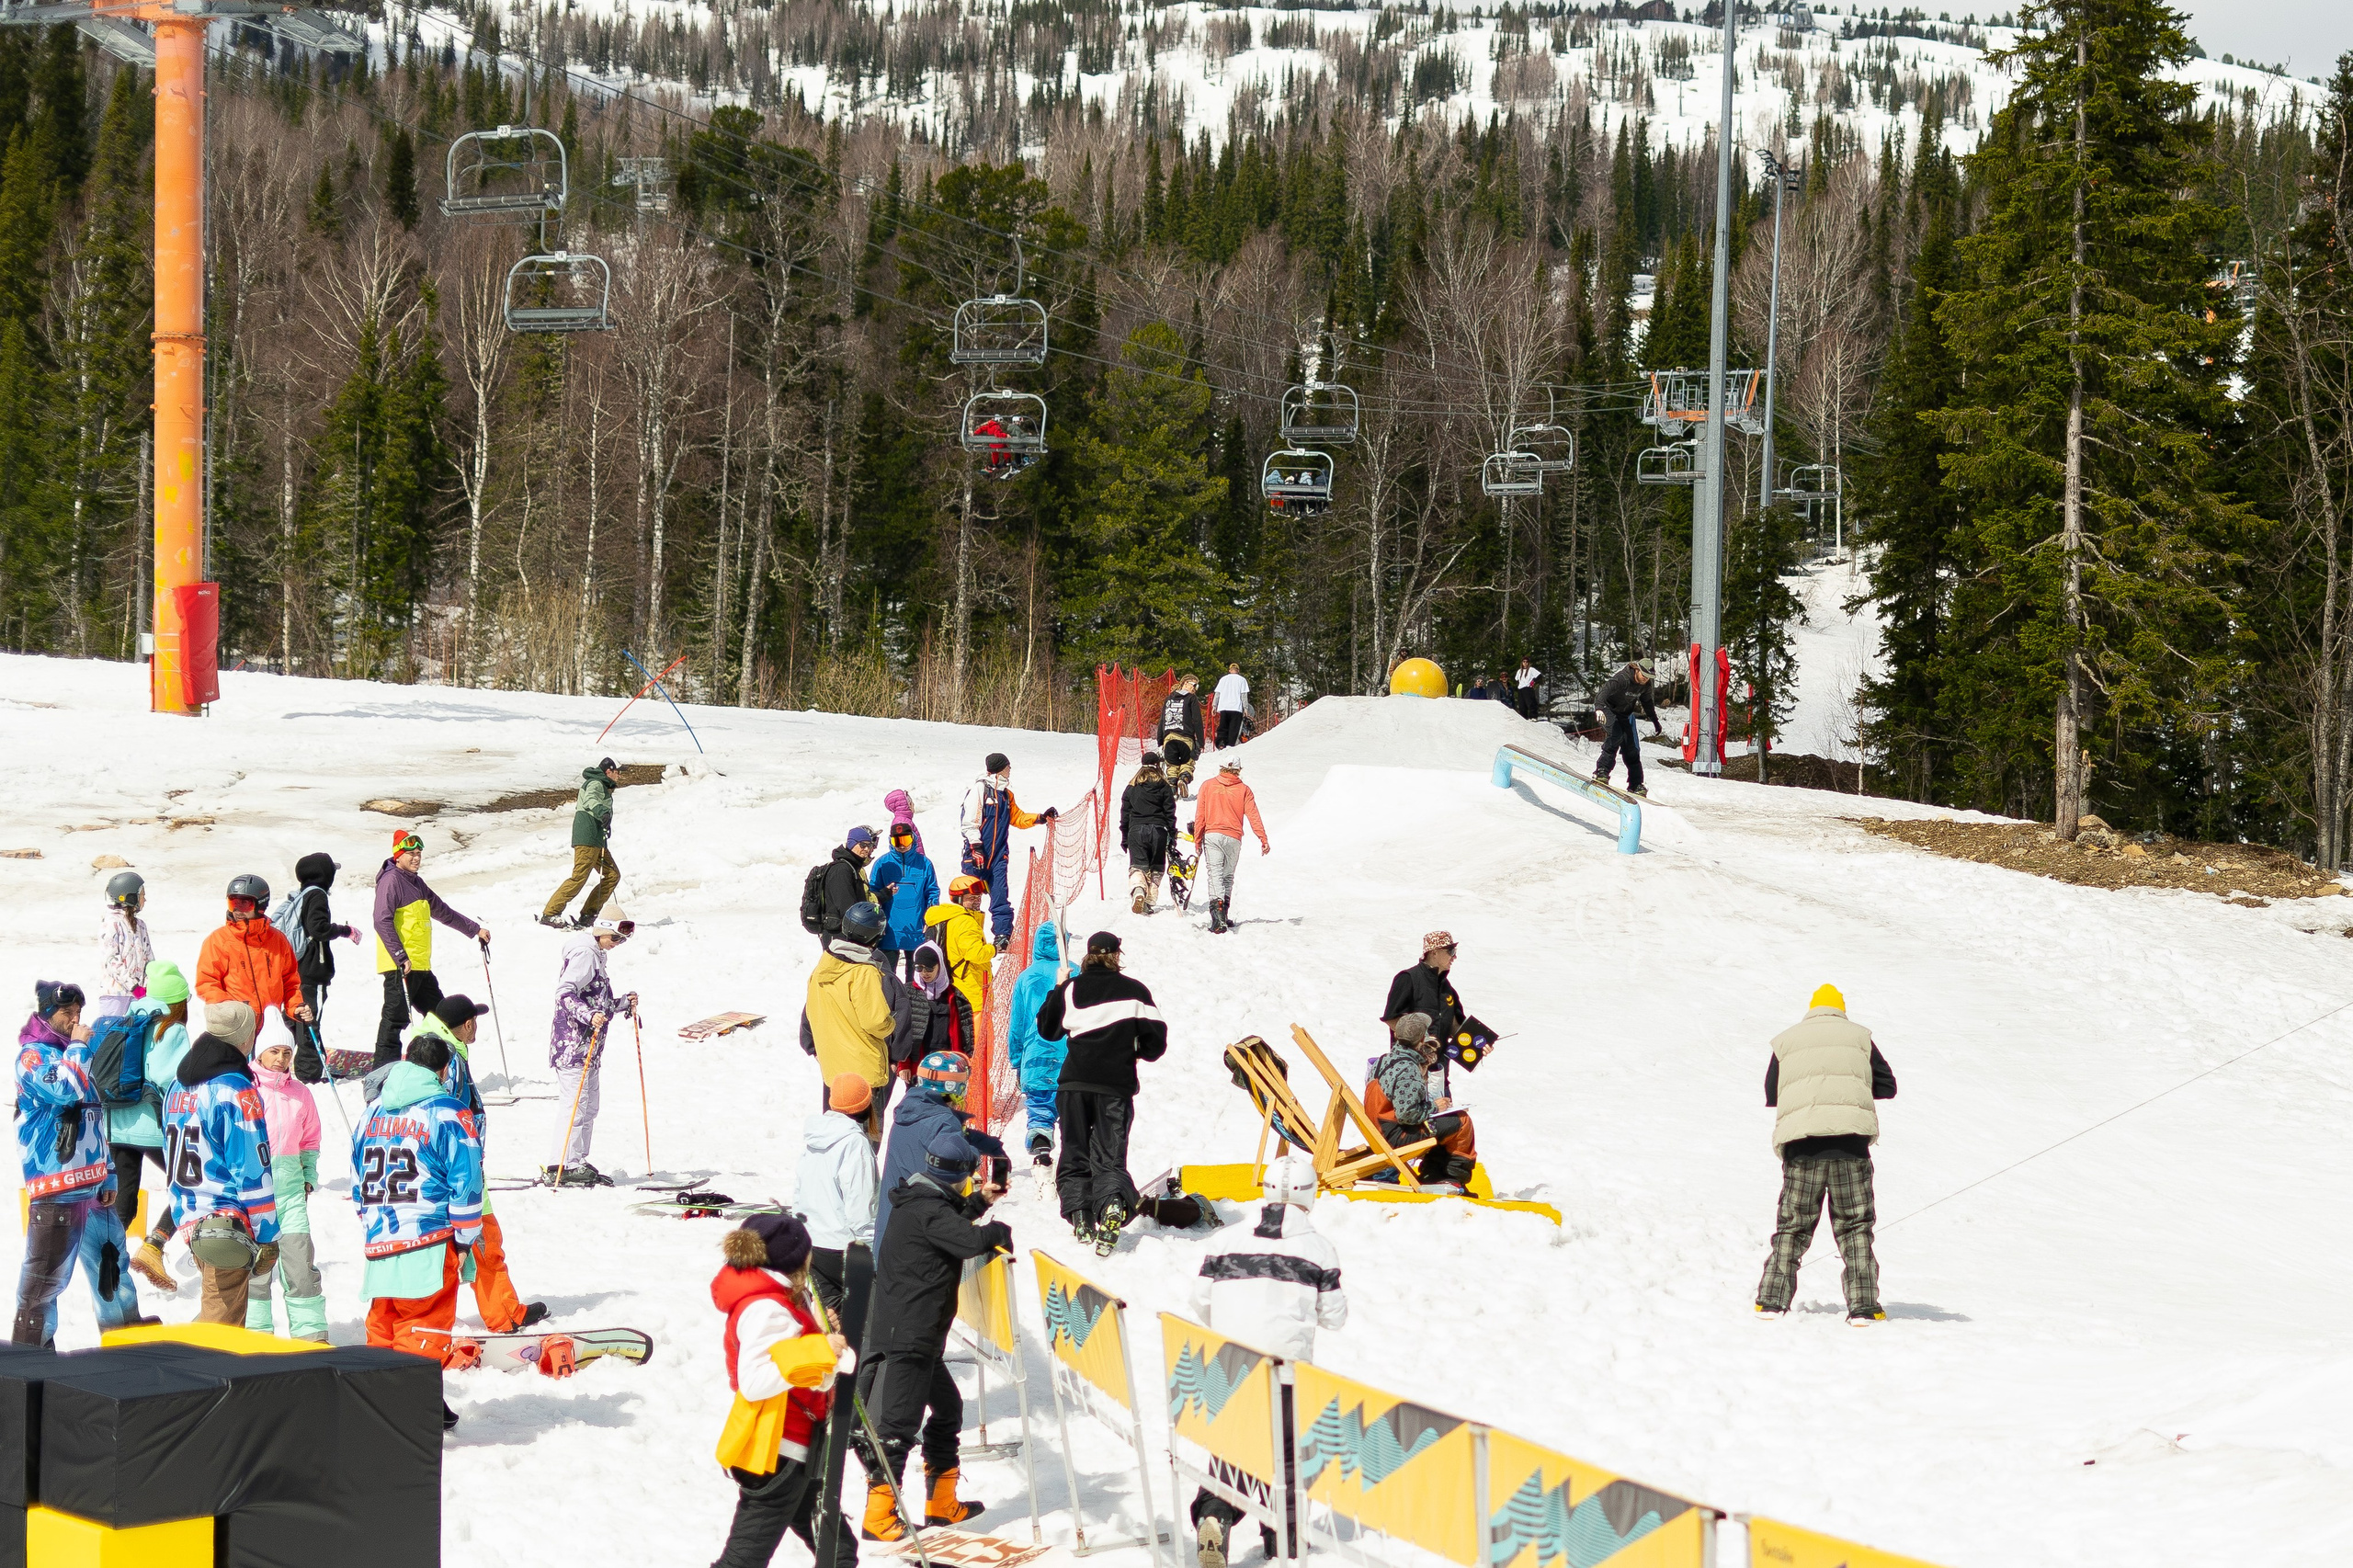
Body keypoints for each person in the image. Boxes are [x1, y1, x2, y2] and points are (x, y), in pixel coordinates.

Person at [1187, 1156, 1345, 1568]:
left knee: (1232, 1448)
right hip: (1286, 1371)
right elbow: (1334, 1316)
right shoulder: (1319, 1248)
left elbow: (1200, 1300)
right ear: (1310, 1195)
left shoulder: (1226, 1240)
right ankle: (1283, 1541)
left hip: (1231, 1364)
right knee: (1286, 1457)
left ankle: (1214, 1514)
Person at [857, 1127, 1012, 1541]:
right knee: (898, 1426)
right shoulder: (928, 1211)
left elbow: (948, 1225)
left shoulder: (918, 1201)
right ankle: (878, 1515)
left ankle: (941, 1503)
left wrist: (981, 1202)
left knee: (947, 1408)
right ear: (958, 1175)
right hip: (910, 1334)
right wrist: (998, 1231)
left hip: (916, 1332)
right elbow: (968, 1241)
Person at [710, 1213, 858, 1568]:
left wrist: (822, 1340)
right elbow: (754, 1381)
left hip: (792, 1446)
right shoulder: (766, 1308)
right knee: (745, 1559)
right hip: (778, 1453)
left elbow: (790, 1356)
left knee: (837, 1552)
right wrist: (821, 1351)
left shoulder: (773, 1294)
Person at [1756, 985, 1897, 1325]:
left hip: (1801, 1147)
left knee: (1792, 1227)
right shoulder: (1860, 1037)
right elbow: (1887, 1086)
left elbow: (1772, 1092)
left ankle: (1771, 1303)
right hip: (1850, 1147)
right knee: (1855, 1227)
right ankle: (1863, 1308)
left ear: (1812, 1009)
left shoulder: (1786, 1041)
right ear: (1841, 1009)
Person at [13, 981, 145, 1345]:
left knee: (112, 1263)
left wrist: (109, 1173)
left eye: (78, 1013)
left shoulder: (75, 1054)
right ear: (45, 1013)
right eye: (66, 1013)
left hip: (91, 1184)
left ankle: (126, 1340)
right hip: (57, 1187)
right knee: (44, 1284)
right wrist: (79, 1045)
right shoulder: (33, 1056)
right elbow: (63, 1090)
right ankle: (30, 1366)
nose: (75, 1020)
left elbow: (94, 1119)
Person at [355, 1030, 486, 1395]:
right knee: (423, 1330)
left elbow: (357, 1178)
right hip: (428, 1238)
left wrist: (370, 1224)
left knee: (383, 1327)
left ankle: (375, 1408)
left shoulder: (371, 1112)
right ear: (444, 1070)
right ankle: (411, 1413)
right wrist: (464, 1238)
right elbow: (468, 1181)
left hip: (380, 1238)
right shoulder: (448, 1112)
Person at [405, 995, 548, 1330]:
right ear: (467, 1024)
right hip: (457, 1167)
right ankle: (503, 1313)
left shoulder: (425, 1045)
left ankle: (425, 1319)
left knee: (444, 1242)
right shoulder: (448, 1056)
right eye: (474, 1023)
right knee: (483, 1237)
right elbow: (450, 1114)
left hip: (427, 1165)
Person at [1035, 931, 1167, 1253]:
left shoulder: (1072, 989)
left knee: (1075, 1149)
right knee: (1109, 1154)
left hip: (1074, 1084)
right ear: (1117, 955)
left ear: (1089, 955)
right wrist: (1132, 1046)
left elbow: (1047, 1029)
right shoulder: (1135, 991)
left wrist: (1058, 986)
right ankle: (1109, 1204)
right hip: (1114, 1086)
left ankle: (1080, 1214)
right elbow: (1155, 1045)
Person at [164, 999, 279, 1327]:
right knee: (222, 1323)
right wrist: (268, 1233)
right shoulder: (236, 1089)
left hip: (188, 1213)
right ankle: (195, 1376)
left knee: (215, 1304)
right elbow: (253, 1169)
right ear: (245, 1039)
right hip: (224, 1219)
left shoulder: (177, 1085)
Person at [372, 830, 490, 1067]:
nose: (416, 858)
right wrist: (400, 955)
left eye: (419, 854)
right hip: (401, 967)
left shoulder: (416, 883)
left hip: (420, 966)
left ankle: (444, 1067)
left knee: (441, 1017)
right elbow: (381, 920)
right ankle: (383, 1074)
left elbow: (443, 911)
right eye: (410, 854)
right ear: (398, 855)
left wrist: (474, 929)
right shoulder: (391, 881)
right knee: (395, 1021)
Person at [245, 1018, 327, 1341]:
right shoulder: (247, 1088)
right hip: (255, 1196)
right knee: (256, 1270)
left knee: (301, 1268)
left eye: (286, 1052)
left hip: (291, 1194)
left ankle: (311, 1336)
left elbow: (310, 1139)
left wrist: (308, 1175)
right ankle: (255, 1337)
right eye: (274, 1051)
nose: (281, 1058)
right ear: (260, 1054)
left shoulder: (300, 1093)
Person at [873, 1051, 1006, 1247]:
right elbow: (956, 1159)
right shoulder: (944, 1122)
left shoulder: (909, 1110)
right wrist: (976, 1156)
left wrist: (989, 1144)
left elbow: (944, 1135)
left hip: (890, 1231)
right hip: (917, 1240)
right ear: (955, 1088)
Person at [120, 960, 195, 1291]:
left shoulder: (129, 1019)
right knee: (189, 1184)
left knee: (124, 1200)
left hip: (118, 1123)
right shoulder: (173, 1029)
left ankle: (106, 1259)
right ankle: (154, 1245)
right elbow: (175, 1079)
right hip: (151, 1124)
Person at [549, 919, 638, 1187]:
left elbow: (598, 1003)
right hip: (573, 1046)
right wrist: (589, 1015)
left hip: (589, 1047)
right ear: (601, 931)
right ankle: (562, 1164)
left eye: (622, 940)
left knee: (588, 1107)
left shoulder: (597, 955)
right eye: (615, 938)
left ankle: (577, 1161)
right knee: (576, 1106)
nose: (617, 944)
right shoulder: (585, 954)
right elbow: (564, 994)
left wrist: (622, 1003)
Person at [798, 1074, 879, 1337]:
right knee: (862, 1328)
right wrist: (872, 1251)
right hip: (842, 1247)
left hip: (813, 1243)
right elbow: (861, 1207)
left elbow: (800, 1189)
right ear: (866, 1106)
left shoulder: (813, 1137)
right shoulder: (855, 1143)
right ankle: (858, 1375)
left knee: (833, 1327)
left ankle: (837, 1376)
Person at [803, 903, 895, 1130]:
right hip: (863, 1074)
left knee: (836, 1138)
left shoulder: (823, 967)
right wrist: (892, 1022)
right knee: (864, 1143)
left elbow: (811, 1012)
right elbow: (876, 1021)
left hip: (834, 1072)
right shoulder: (864, 972)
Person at [1363, 1014, 1476, 1187]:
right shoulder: (1409, 1069)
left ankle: (1434, 1174)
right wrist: (1435, 1107)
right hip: (1393, 1136)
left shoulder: (1383, 1060)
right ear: (1422, 1038)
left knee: (1447, 1123)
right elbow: (1406, 1114)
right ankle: (1449, 1178)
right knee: (1461, 1121)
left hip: (1379, 1130)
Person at [959, 755, 1057, 950]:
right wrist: (975, 845)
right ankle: (965, 934)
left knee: (1000, 894)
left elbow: (1017, 817)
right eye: (1008, 766)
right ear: (1000, 768)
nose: (1010, 769)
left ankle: (1002, 935)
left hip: (998, 856)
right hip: (977, 853)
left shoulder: (1006, 794)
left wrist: (1040, 818)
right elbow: (969, 821)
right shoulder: (979, 789)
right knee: (971, 896)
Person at [196, 873, 311, 1040]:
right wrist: (233, 1010)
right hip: (237, 1029)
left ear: (260, 905)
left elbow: (290, 983)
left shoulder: (277, 940)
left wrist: (295, 1007)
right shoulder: (218, 940)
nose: (237, 909)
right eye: (233, 902)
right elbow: (207, 983)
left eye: (245, 904)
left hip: (271, 1027)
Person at [282, 853, 355, 1084]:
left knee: (295, 1020)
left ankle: (283, 1065)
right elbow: (318, 928)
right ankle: (309, 1075)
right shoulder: (318, 895)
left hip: (297, 968)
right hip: (311, 970)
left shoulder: (301, 895)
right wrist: (345, 930)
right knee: (308, 1022)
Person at [1005, 923, 1063, 1168]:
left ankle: (1041, 1142)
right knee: (1072, 1106)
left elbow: (1017, 1022)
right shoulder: (1074, 973)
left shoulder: (1026, 977)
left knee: (1039, 1106)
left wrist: (1016, 1059)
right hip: (1068, 1053)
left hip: (1035, 1052)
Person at [540, 757, 624, 930]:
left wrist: (604, 825)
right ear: (608, 771)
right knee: (579, 877)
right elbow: (591, 800)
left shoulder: (603, 785)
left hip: (596, 839)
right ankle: (550, 913)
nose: (620, 775)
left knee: (612, 875)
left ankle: (589, 914)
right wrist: (603, 813)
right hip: (587, 838)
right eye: (618, 771)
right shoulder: (595, 783)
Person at [1193, 757, 1270, 935]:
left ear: (1221, 767)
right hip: (1234, 837)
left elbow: (1200, 815)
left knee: (1215, 875)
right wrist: (1263, 838)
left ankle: (1218, 919)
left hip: (1212, 835)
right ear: (1238, 769)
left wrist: (1197, 839)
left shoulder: (1207, 786)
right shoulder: (1244, 790)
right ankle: (1223, 914)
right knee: (1227, 876)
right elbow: (1253, 815)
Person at [869, 824, 940, 985]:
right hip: (889, 931)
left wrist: (931, 919)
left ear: (913, 839)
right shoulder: (882, 864)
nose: (901, 844)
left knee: (916, 978)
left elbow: (932, 892)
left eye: (905, 839)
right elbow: (872, 894)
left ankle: (914, 1007)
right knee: (886, 976)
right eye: (897, 841)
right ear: (890, 841)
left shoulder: (924, 864)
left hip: (916, 929)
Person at [922, 876, 994, 1020]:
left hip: (956, 983)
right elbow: (976, 954)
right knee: (978, 1036)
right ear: (958, 898)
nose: (977, 901)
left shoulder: (948, 917)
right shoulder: (965, 922)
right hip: (971, 985)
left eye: (978, 897)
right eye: (971, 898)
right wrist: (994, 949)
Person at [1381, 931, 1466, 1051]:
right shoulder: (1408, 978)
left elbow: (1454, 1026)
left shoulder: (1447, 988)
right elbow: (1391, 1019)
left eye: (1455, 951)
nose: (1454, 957)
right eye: (1450, 951)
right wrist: (1421, 1038)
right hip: (1411, 1062)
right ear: (1434, 953)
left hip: (1439, 1064)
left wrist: (1479, 1044)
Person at [1121, 751, 1178, 915]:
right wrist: (1172, 834)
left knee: (1138, 867)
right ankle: (1150, 900)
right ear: (1158, 765)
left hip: (1136, 831)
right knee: (1156, 868)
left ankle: (1139, 890)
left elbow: (1125, 814)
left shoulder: (1131, 787)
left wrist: (1125, 836)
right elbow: (1170, 812)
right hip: (1158, 831)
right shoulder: (1164, 786)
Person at [1593, 660, 1662, 797]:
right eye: (1644, 676)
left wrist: (1655, 721)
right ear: (1637, 670)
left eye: (1648, 678)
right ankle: (1601, 771)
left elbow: (1647, 703)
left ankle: (1635, 784)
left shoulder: (1645, 685)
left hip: (1623, 714)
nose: (1645, 680)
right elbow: (1603, 693)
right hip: (1607, 709)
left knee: (1631, 749)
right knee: (1616, 735)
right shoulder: (1621, 679)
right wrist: (1599, 709)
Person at [95, 870, 153, 1021]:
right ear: (129, 896)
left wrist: (147, 985)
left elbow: (149, 960)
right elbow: (111, 961)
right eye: (142, 895)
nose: (145, 899)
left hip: (138, 996)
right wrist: (134, 986)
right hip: (115, 995)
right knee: (112, 1037)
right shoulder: (111, 923)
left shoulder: (140, 926)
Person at [908, 946, 974, 1064]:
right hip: (918, 1062)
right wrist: (903, 1065)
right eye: (919, 968)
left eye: (929, 968)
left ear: (940, 966)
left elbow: (967, 1033)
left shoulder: (955, 996)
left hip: (949, 1060)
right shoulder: (908, 993)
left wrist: (968, 1058)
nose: (924, 973)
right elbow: (902, 1031)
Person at [816, 828, 879, 949]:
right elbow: (847, 907)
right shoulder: (842, 870)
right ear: (852, 843)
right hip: (839, 934)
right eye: (862, 845)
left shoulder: (852, 867)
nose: (866, 849)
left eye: (869, 845)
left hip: (847, 932)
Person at [1159, 676, 1207, 799]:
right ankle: (1183, 779)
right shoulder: (1191, 699)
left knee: (1172, 764)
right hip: (1185, 737)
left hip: (1169, 737)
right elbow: (1197, 720)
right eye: (1194, 685)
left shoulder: (1168, 699)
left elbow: (1162, 720)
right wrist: (1200, 742)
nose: (1195, 689)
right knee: (1187, 762)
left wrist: (1160, 741)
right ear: (1185, 683)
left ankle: (1173, 788)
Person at [1212, 664, 1252, 750]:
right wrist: (1245, 708)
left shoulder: (1223, 679)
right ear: (1238, 670)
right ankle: (1230, 745)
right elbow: (1243, 695)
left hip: (1224, 707)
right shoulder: (1242, 680)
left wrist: (1214, 706)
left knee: (1223, 727)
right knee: (1233, 729)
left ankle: (1221, 742)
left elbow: (1217, 694)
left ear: (1229, 670)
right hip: (1236, 708)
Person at [882, 788, 925, 856]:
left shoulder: (904, 819)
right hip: (911, 862)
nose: (913, 805)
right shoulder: (902, 822)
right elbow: (903, 846)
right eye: (911, 802)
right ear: (908, 805)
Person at [1512, 656, 1543, 720]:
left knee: (1531, 703)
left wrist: (1534, 681)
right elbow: (1516, 679)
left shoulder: (1531, 670)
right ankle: (1524, 717)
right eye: (1524, 662)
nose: (1525, 663)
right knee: (1522, 705)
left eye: (1527, 662)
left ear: (1529, 663)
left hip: (1528, 688)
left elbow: (1539, 675)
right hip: (1521, 689)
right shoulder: (1519, 671)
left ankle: (1533, 716)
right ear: (1522, 663)